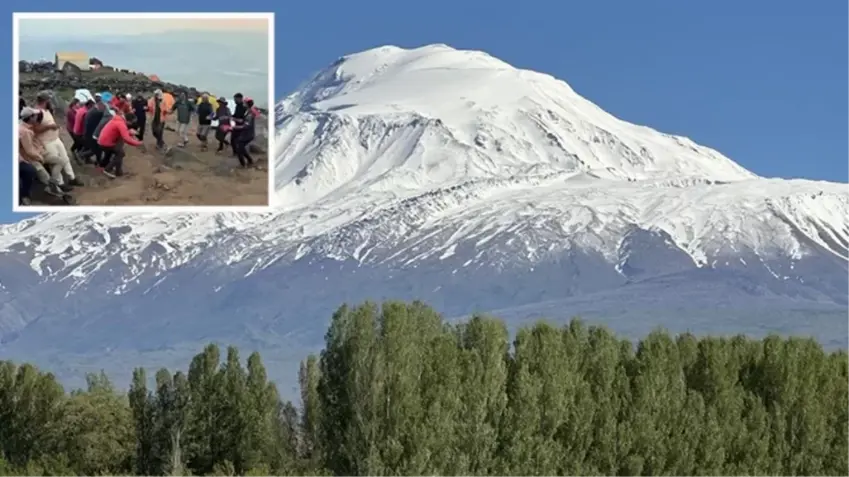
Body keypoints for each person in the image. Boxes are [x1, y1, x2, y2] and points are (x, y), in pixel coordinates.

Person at [33, 91, 83, 188]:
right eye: (48, 99)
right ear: (45, 100)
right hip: (47, 141)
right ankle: (60, 183)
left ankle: (72, 177)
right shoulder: (37, 112)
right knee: (55, 163)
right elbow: (35, 129)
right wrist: (49, 127)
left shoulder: (46, 110)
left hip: (55, 138)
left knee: (65, 158)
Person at [19, 106, 65, 197]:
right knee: (45, 177)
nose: (37, 116)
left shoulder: (29, 126)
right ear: (31, 118)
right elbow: (29, 151)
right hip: (32, 158)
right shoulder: (25, 132)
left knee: (60, 161)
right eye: (35, 115)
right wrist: (40, 158)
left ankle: (53, 185)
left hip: (39, 153)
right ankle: (55, 191)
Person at [97, 111, 143, 178]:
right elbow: (126, 138)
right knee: (120, 153)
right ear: (128, 121)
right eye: (132, 122)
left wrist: (129, 132)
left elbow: (122, 132)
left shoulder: (118, 120)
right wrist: (138, 143)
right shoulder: (121, 124)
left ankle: (118, 172)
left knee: (119, 151)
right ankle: (107, 169)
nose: (132, 124)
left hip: (103, 141)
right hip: (106, 143)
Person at [232, 97, 257, 167]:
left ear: (247, 104)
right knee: (241, 148)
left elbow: (247, 126)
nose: (243, 103)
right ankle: (250, 161)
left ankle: (243, 165)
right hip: (246, 134)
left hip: (248, 134)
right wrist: (236, 120)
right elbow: (244, 121)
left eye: (244, 102)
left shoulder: (250, 114)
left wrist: (236, 127)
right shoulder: (248, 112)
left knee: (239, 149)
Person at [79, 99, 107, 165]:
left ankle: (91, 160)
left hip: (88, 132)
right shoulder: (97, 113)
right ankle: (82, 155)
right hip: (91, 133)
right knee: (96, 149)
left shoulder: (92, 110)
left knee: (95, 148)